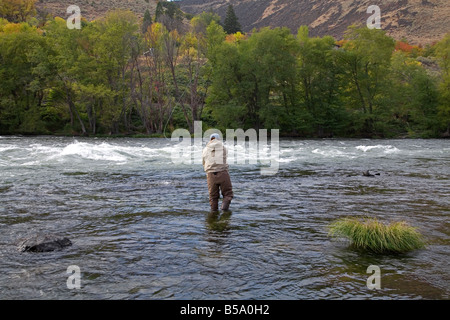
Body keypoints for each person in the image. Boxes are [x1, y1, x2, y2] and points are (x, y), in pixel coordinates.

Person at [202, 133, 233, 212]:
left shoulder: (205, 149)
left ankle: (213, 214)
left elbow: (204, 162)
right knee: (227, 194)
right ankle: (224, 211)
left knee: (213, 197)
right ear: (218, 139)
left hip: (210, 175)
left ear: (210, 139)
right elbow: (224, 159)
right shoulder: (223, 148)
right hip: (223, 173)